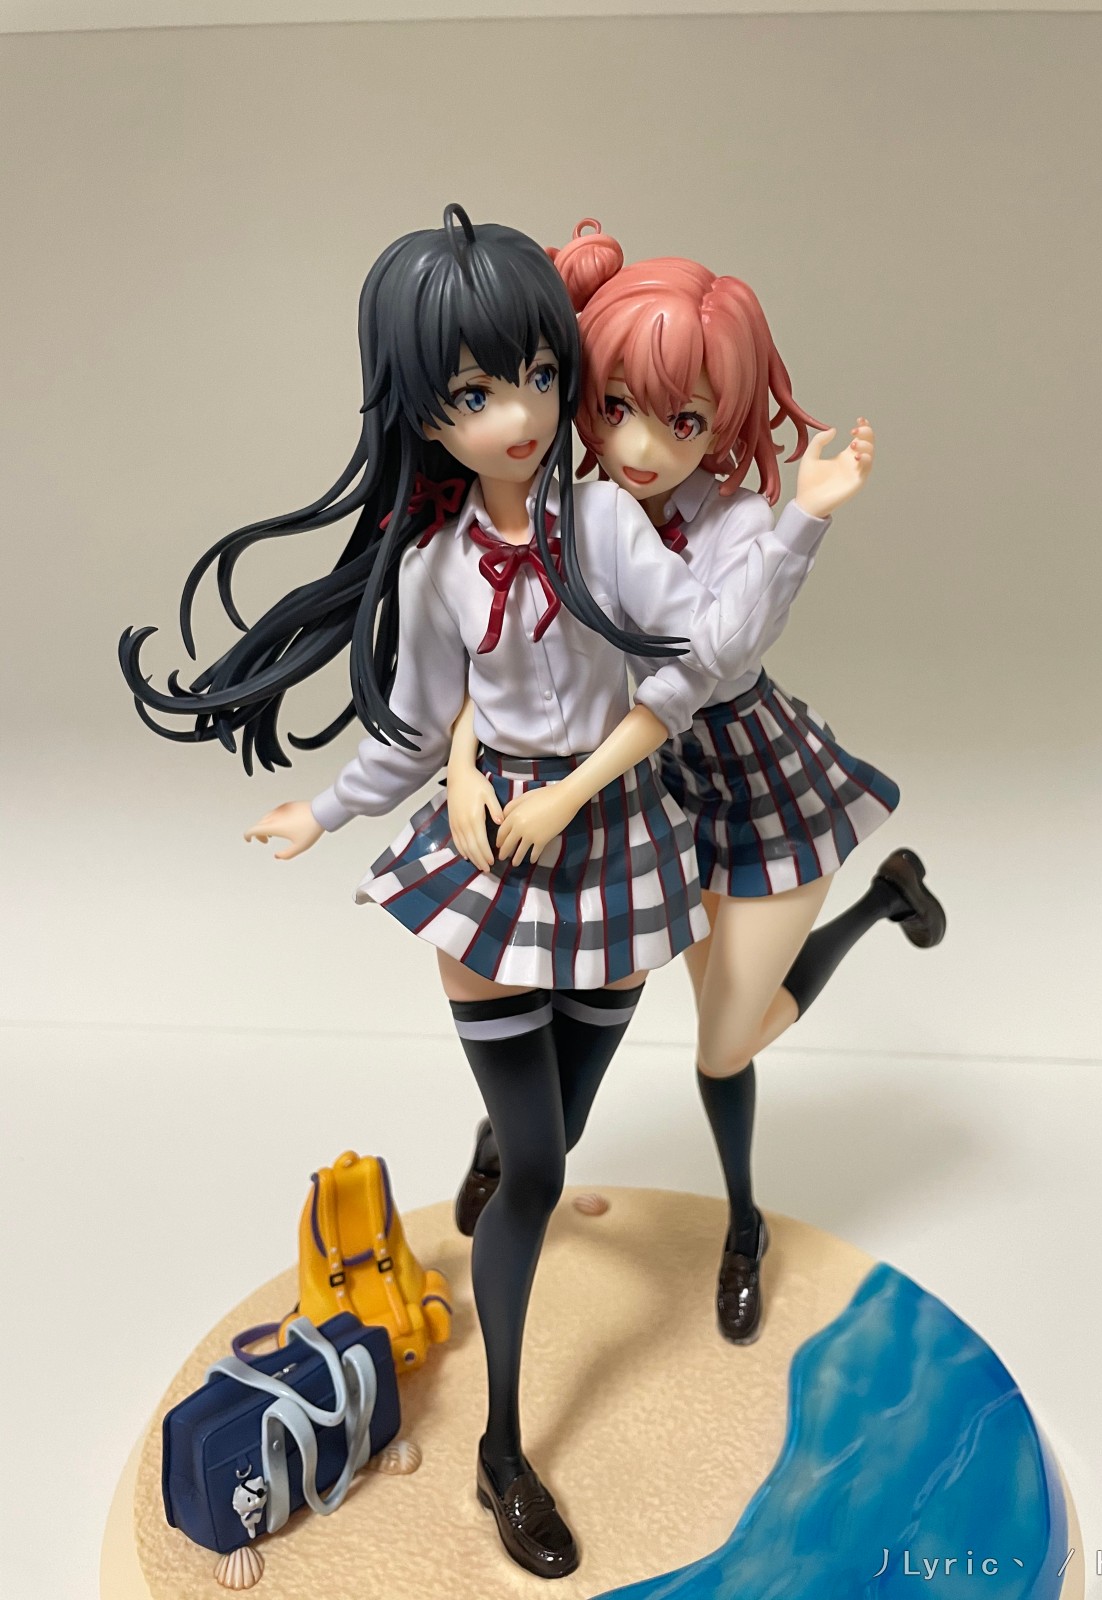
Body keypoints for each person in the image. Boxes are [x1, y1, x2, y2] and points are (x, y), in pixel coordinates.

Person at [119, 207, 841, 1579]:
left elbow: (702, 659)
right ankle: (503, 1448)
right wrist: (328, 806)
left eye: (539, 378)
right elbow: (409, 727)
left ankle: (504, 1148)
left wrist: (797, 525)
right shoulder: (438, 567)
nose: (517, 416)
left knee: (557, 1118)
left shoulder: (607, 524)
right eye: (473, 394)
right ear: (422, 415)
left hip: (616, 848)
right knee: (544, 1165)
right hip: (494, 857)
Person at [448, 220, 944, 1352]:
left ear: (726, 422)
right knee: (563, 986)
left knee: (725, 1041)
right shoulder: (567, 500)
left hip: (751, 781)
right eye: (617, 404)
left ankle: (744, 1224)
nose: (639, 445)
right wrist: (465, 757)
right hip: (644, 794)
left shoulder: (734, 522)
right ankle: (515, 1143)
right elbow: (498, 643)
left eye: (683, 421)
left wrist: (805, 516)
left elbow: (719, 653)